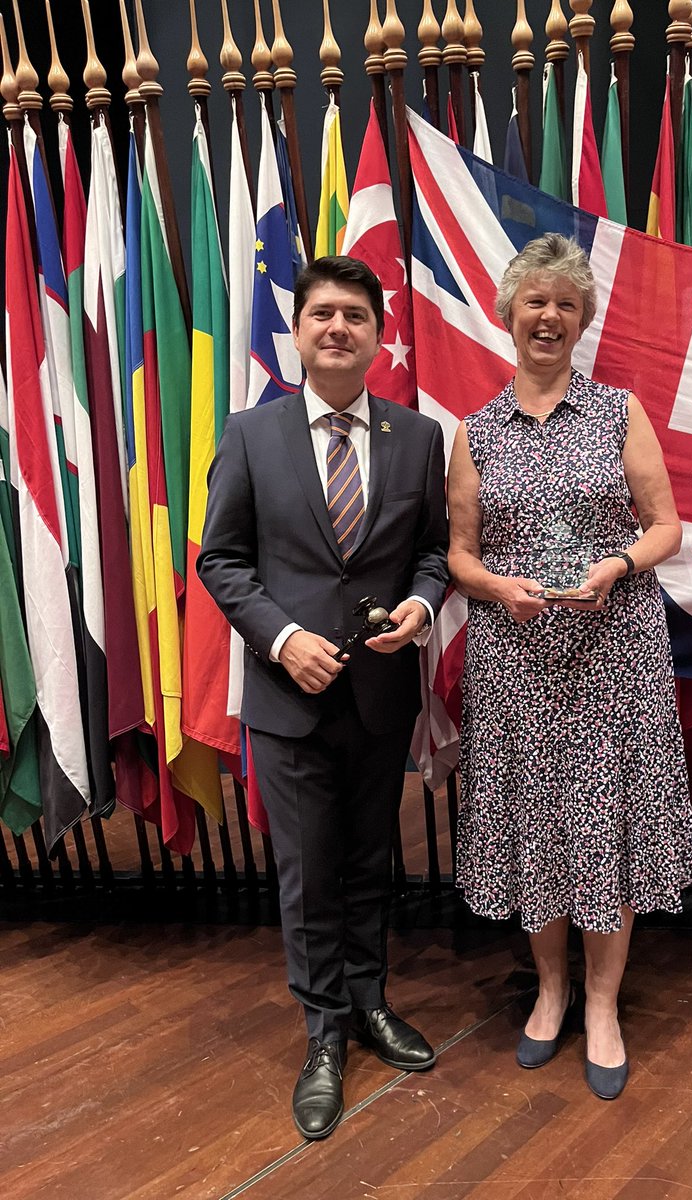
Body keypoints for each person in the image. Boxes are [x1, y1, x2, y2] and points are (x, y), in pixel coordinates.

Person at [198, 256, 449, 1140]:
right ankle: (323, 1036)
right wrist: (282, 638)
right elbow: (220, 560)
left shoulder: (420, 438)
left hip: (382, 696)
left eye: (355, 316)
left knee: (367, 860)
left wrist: (420, 608)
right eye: (323, 315)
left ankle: (370, 1000)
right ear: (298, 333)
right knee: (307, 876)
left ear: (379, 337)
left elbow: (432, 551)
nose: (338, 328)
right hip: (288, 697)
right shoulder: (249, 435)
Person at [447, 233, 692, 1102]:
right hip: (515, 659)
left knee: (606, 824)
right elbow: (460, 558)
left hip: (613, 655)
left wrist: (619, 565)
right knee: (540, 824)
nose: (548, 316)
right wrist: (498, 587)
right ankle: (549, 990)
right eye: (534, 302)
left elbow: (667, 526)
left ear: (583, 319)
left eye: (565, 303)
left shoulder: (619, 411)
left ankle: (601, 1004)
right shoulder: (474, 432)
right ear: (508, 314)